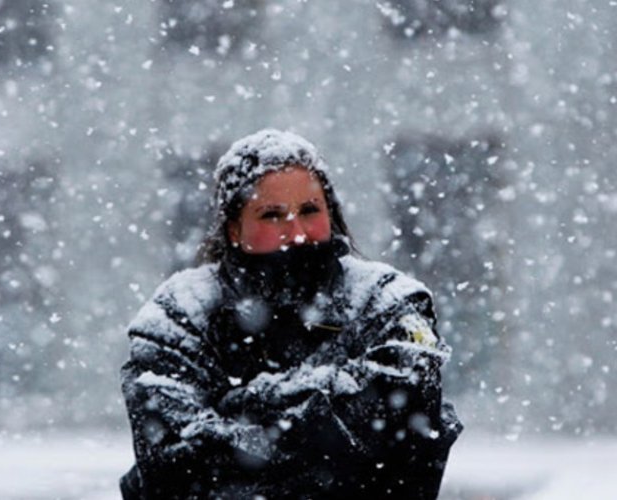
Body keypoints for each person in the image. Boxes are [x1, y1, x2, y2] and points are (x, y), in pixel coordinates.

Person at [119, 129, 462, 499]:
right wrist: (328, 423)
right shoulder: (179, 313)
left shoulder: (389, 302)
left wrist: (242, 410)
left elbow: (405, 433)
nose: (297, 232)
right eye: (272, 215)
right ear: (234, 229)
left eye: (310, 210)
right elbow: (170, 466)